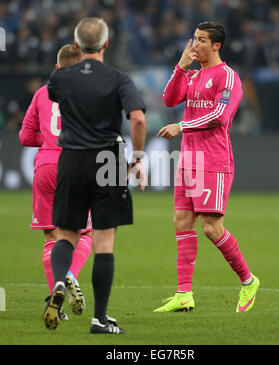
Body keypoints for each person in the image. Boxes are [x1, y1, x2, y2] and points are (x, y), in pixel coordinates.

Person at [43, 17, 146, 334]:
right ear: (106, 44)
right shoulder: (118, 78)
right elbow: (138, 119)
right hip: (109, 158)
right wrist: (138, 157)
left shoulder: (60, 78)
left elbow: (56, 99)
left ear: (76, 45)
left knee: (66, 234)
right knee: (104, 241)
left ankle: (59, 281)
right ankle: (100, 319)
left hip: (71, 157)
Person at [155, 22, 260, 313]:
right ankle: (184, 294)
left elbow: (220, 116)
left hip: (213, 160)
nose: (195, 45)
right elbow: (169, 99)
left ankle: (248, 280)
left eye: (202, 40)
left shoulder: (228, 77)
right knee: (181, 221)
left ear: (217, 46)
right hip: (189, 160)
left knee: (212, 228)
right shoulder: (192, 75)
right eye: (194, 39)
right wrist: (180, 67)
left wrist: (182, 125)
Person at [19, 45, 94, 319]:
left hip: (46, 166)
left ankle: (57, 296)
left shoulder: (41, 93)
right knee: (86, 232)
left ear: (57, 67)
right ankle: (70, 272)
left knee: (51, 236)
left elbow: (25, 137)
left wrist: (50, 142)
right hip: (76, 166)